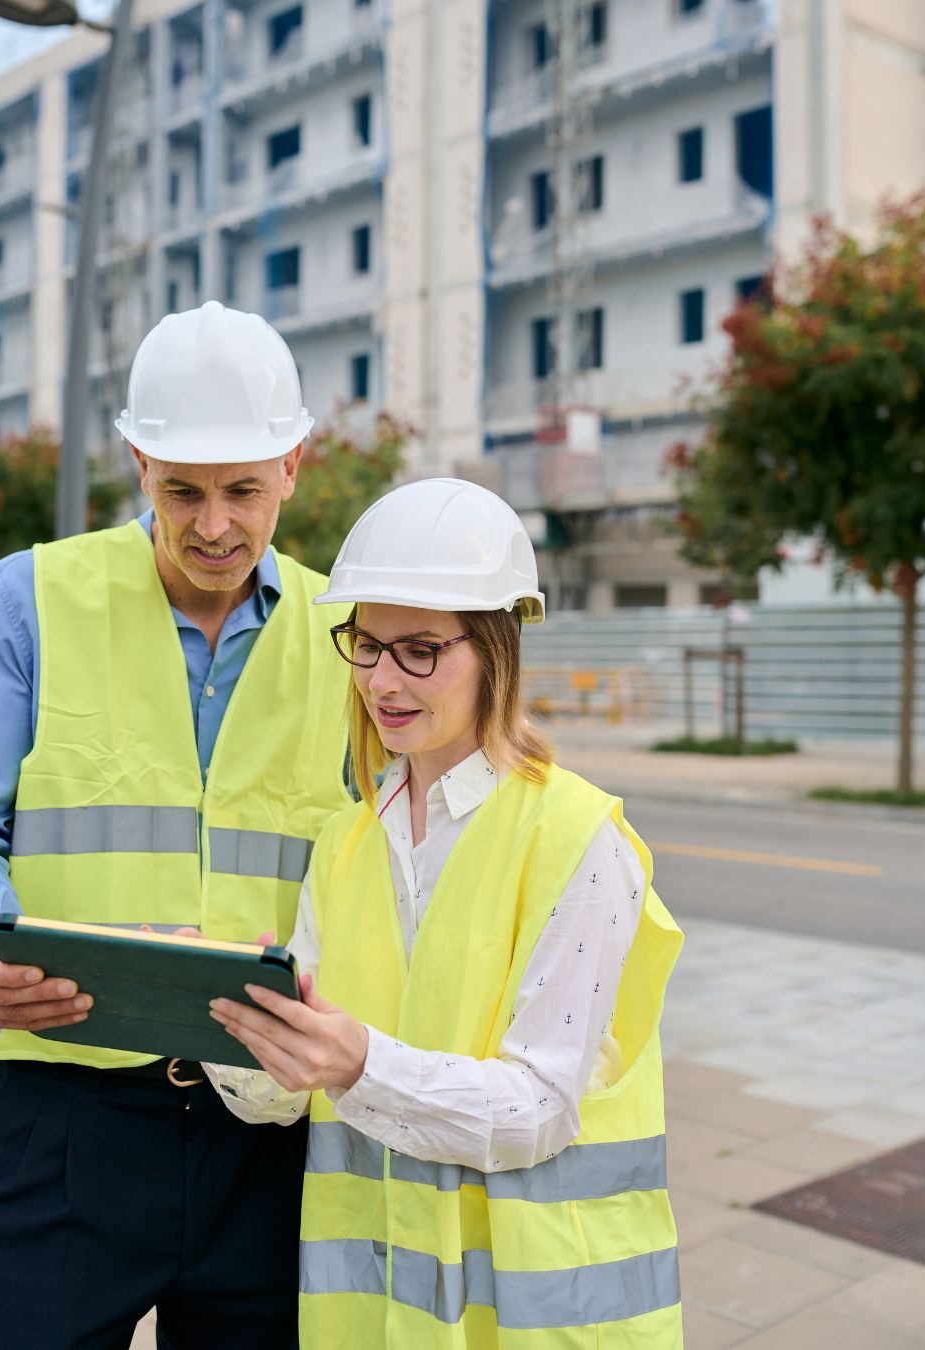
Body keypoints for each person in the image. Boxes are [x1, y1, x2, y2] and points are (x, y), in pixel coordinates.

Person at [0, 302, 351, 1349]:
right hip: (66, 1122)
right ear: (138, 461)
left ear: (294, 465)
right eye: (182, 491)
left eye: (243, 490)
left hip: (270, 1134)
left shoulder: (347, 634)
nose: (215, 525)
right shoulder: (29, 600)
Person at [203, 478, 685, 1348]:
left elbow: (538, 1108)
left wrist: (356, 1065)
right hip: (381, 1321)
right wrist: (230, 1028)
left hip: (538, 1319)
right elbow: (282, 1098)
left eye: (420, 649)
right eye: (366, 645)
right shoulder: (347, 842)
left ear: (495, 650)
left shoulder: (578, 837)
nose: (382, 679)